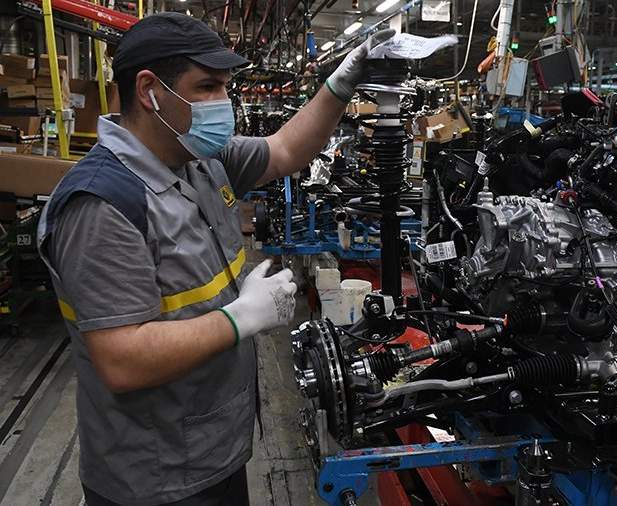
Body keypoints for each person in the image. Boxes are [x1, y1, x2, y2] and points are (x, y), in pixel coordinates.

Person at [36, 12, 393, 506]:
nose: (223, 102)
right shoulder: (104, 204)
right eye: (206, 86)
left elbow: (286, 150)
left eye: (225, 86)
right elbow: (121, 360)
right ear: (150, 91)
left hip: (215, 448)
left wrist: (338, 86)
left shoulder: (200, 159)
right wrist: (240, 317)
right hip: (153, 476)